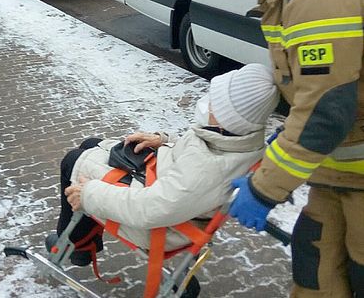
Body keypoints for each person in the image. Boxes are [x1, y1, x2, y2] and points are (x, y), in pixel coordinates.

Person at [216, 0, 364, 297]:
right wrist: (285, 143)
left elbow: (325, 110)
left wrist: (266, 187)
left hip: (353, 161)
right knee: (314, 260)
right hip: (340, 167)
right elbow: (315, 89)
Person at [46, 63, 279, 267]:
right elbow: (198, 152)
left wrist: (91, 195)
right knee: (92, 144)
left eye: (215, 104)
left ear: (230, 118)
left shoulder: (206, 170)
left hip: (160, 224)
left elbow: (151, 209)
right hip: (165, 186)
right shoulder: (238, 139)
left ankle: (76, 247)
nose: (208, 105)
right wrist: (163, 142)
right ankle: (85, 236)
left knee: (73, 162)